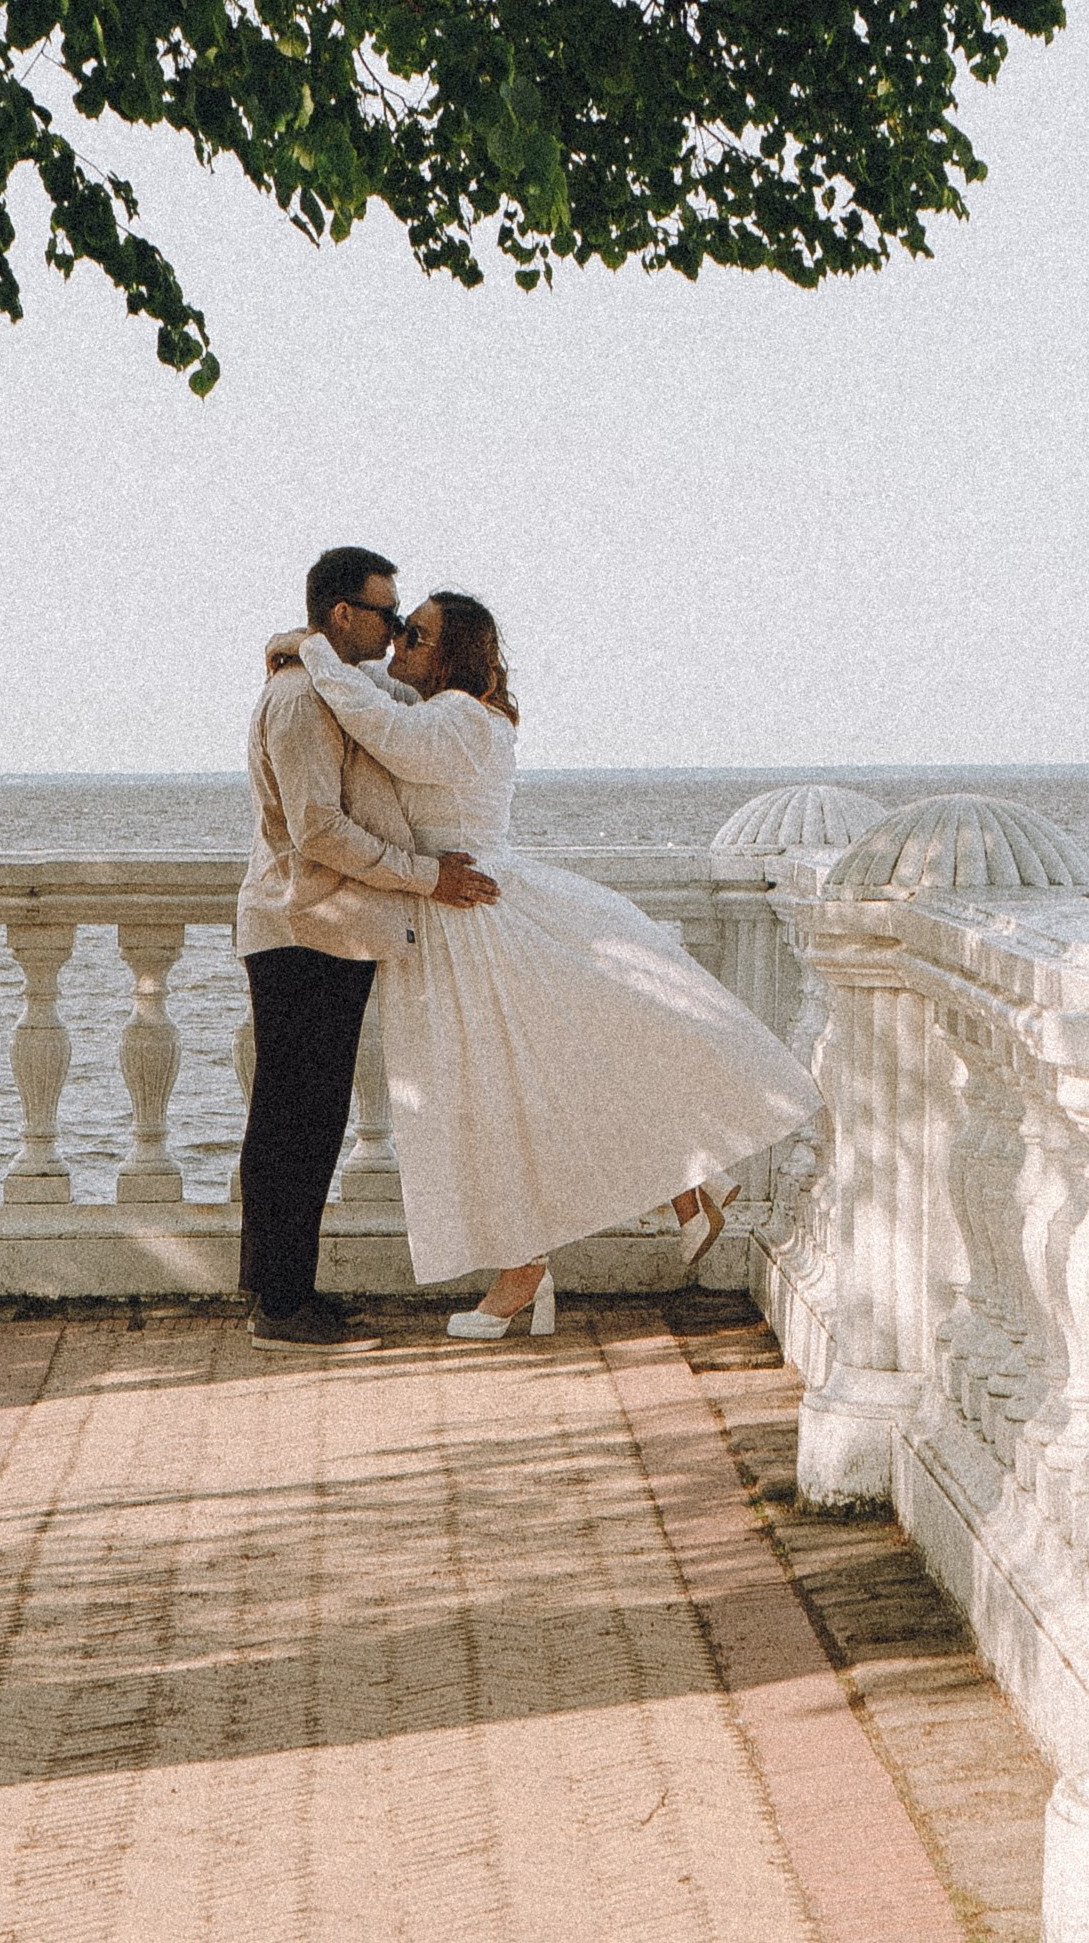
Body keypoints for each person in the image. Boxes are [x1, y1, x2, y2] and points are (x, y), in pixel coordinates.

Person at [267, 591, 815, 1337]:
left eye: (416, 635)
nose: (399, 644)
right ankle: (657, 1195)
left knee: (490, 1103)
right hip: (452, 915)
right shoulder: (450, 711)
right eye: (397, 630)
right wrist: (299, 647)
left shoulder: (456, 716)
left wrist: (313, 650)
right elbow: (379, 704)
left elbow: (374, 722)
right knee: (509, 1098)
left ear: (453, 653)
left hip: (469, 922)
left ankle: (537, 1262)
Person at [234, 547, 500, 1349]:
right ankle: (280, 1305)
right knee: (292, 1119)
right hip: (302, 924)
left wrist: (295, 639)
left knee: (309, 1118)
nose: (393, 630)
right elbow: (319, 830)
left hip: (332, 926)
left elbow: (397, 710)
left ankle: (285, 1293)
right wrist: (425, 877)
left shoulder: (335, 686)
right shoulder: (300, 702)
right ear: (343, 614)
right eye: (384, 613)